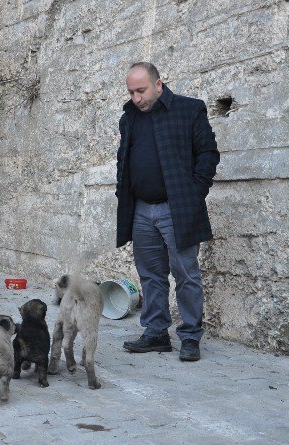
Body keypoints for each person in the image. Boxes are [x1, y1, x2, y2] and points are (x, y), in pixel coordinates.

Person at [116, 62, 219, 361]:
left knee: (186, 274)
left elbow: (208, 154)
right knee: (150, 275)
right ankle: (156, 333)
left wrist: (193, 192)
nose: (136, 98)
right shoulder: (129, 118)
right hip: (141, 210)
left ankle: (190, 336)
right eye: (131, 92)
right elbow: (125, 158)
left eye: (141, 90)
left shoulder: (189, 109)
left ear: (158, 85)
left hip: (177, 209)